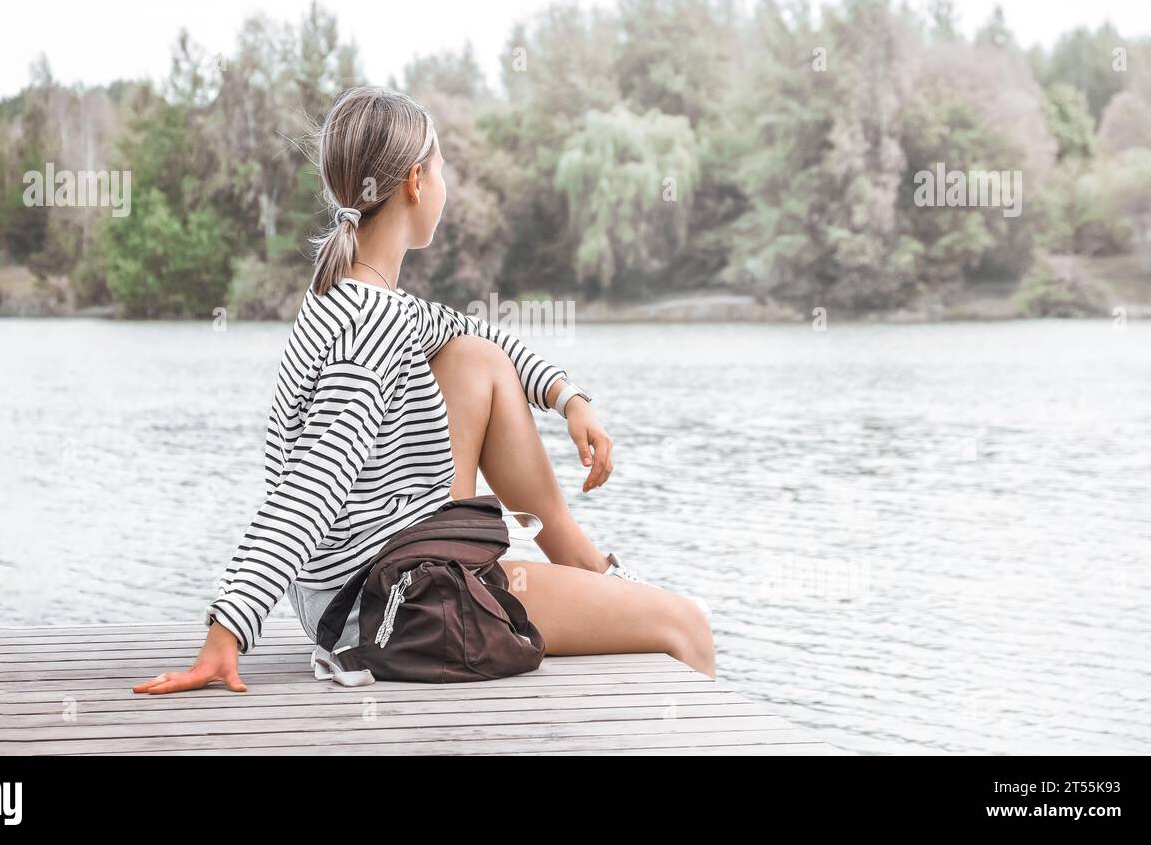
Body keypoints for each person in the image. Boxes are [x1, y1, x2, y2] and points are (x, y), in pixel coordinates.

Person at [132, 86, 714, 696]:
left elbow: (478, 336)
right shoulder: (369, 329)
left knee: (475, 360)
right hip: (394, 606)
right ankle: (602, 587)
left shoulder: (351, 298)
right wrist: (227, 634)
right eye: (440, 169)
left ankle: (590, 571)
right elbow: (309, 487)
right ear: (414, 181)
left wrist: (569, 397)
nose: (445, 184)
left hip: (363, 585)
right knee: (687, 626)